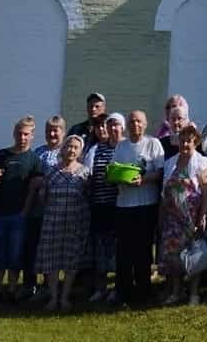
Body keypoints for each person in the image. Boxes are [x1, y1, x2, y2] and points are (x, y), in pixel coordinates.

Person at [0, 116, 44, 302]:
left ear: (32, 136)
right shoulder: (1, 155)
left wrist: (26, 210)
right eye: (19, 133)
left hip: (20, 214)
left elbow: (35, 187)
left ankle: (11, 290)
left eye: (26, 134)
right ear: (14, 133)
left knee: (16, 254)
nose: (22, 137)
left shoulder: (34, 159)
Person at [111, 110, 164, 306]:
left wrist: (143, 179)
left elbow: (159, 173)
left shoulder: (153, 144)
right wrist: (119, 177)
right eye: (132, 121)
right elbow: (113, 170)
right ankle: (123, 293)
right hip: (124, 205)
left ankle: (143, 292)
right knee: (124, 251)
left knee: (143, 251)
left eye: (139, 121)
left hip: (146, 204)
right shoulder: (121, 146)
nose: (135, 124)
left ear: (145, 123)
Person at [33, 135, 91, 311]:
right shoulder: (51, 171)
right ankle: (53, 297)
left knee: (71, 261)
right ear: (63, 149)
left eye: (75, 147)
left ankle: (65, 297)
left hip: (75, 222)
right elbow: (43, 197)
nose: (71, 150)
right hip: (53, 221)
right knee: (52, 261)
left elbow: (89, 197)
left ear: (80, 151)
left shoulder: (85, 172)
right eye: (69, 146)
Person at [158, 123, 207, 306]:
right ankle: (176, 291)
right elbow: (165, 192)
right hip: (172, 220)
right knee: (173, 256)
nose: (185, 145)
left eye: (188, 141)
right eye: (182, 141)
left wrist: (203, 215)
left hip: (192, 218)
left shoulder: (202, 163)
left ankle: (194, 293)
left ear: (195, 142)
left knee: (192, 256)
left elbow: (206, 192)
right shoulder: (170, 163)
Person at [23, 115, 66, 301]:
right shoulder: (38, 152)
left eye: (56, 130)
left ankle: (49, 285)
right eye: (49, 130)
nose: (52, 134)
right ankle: (29, 285)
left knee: (50, 249)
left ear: (63, 132)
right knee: (32, 246)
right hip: (36, 208)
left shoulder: (67, 152)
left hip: (56, 208)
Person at [82, 113, 117, 302]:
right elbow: (88, 175)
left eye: (105, 126)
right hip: (98, 205)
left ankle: (116, 286)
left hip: (117, 205)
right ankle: (100, 287)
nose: (102, 130)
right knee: (99, 247)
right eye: (98, 127)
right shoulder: (94, 150)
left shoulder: (121, 147)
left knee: (116, 247)